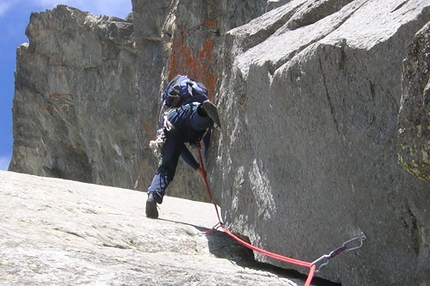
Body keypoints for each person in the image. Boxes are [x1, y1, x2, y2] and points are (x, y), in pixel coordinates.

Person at [146, 94, 220, 219]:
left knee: (166, 167)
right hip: (188, 114)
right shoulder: (201, 123)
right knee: (200, 122)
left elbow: (181, 150)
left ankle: (153, 195)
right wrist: (205, 169)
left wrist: (198, 169)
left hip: (170, 124)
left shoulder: (177, 111)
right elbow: (207, 148)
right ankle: (203, 110)